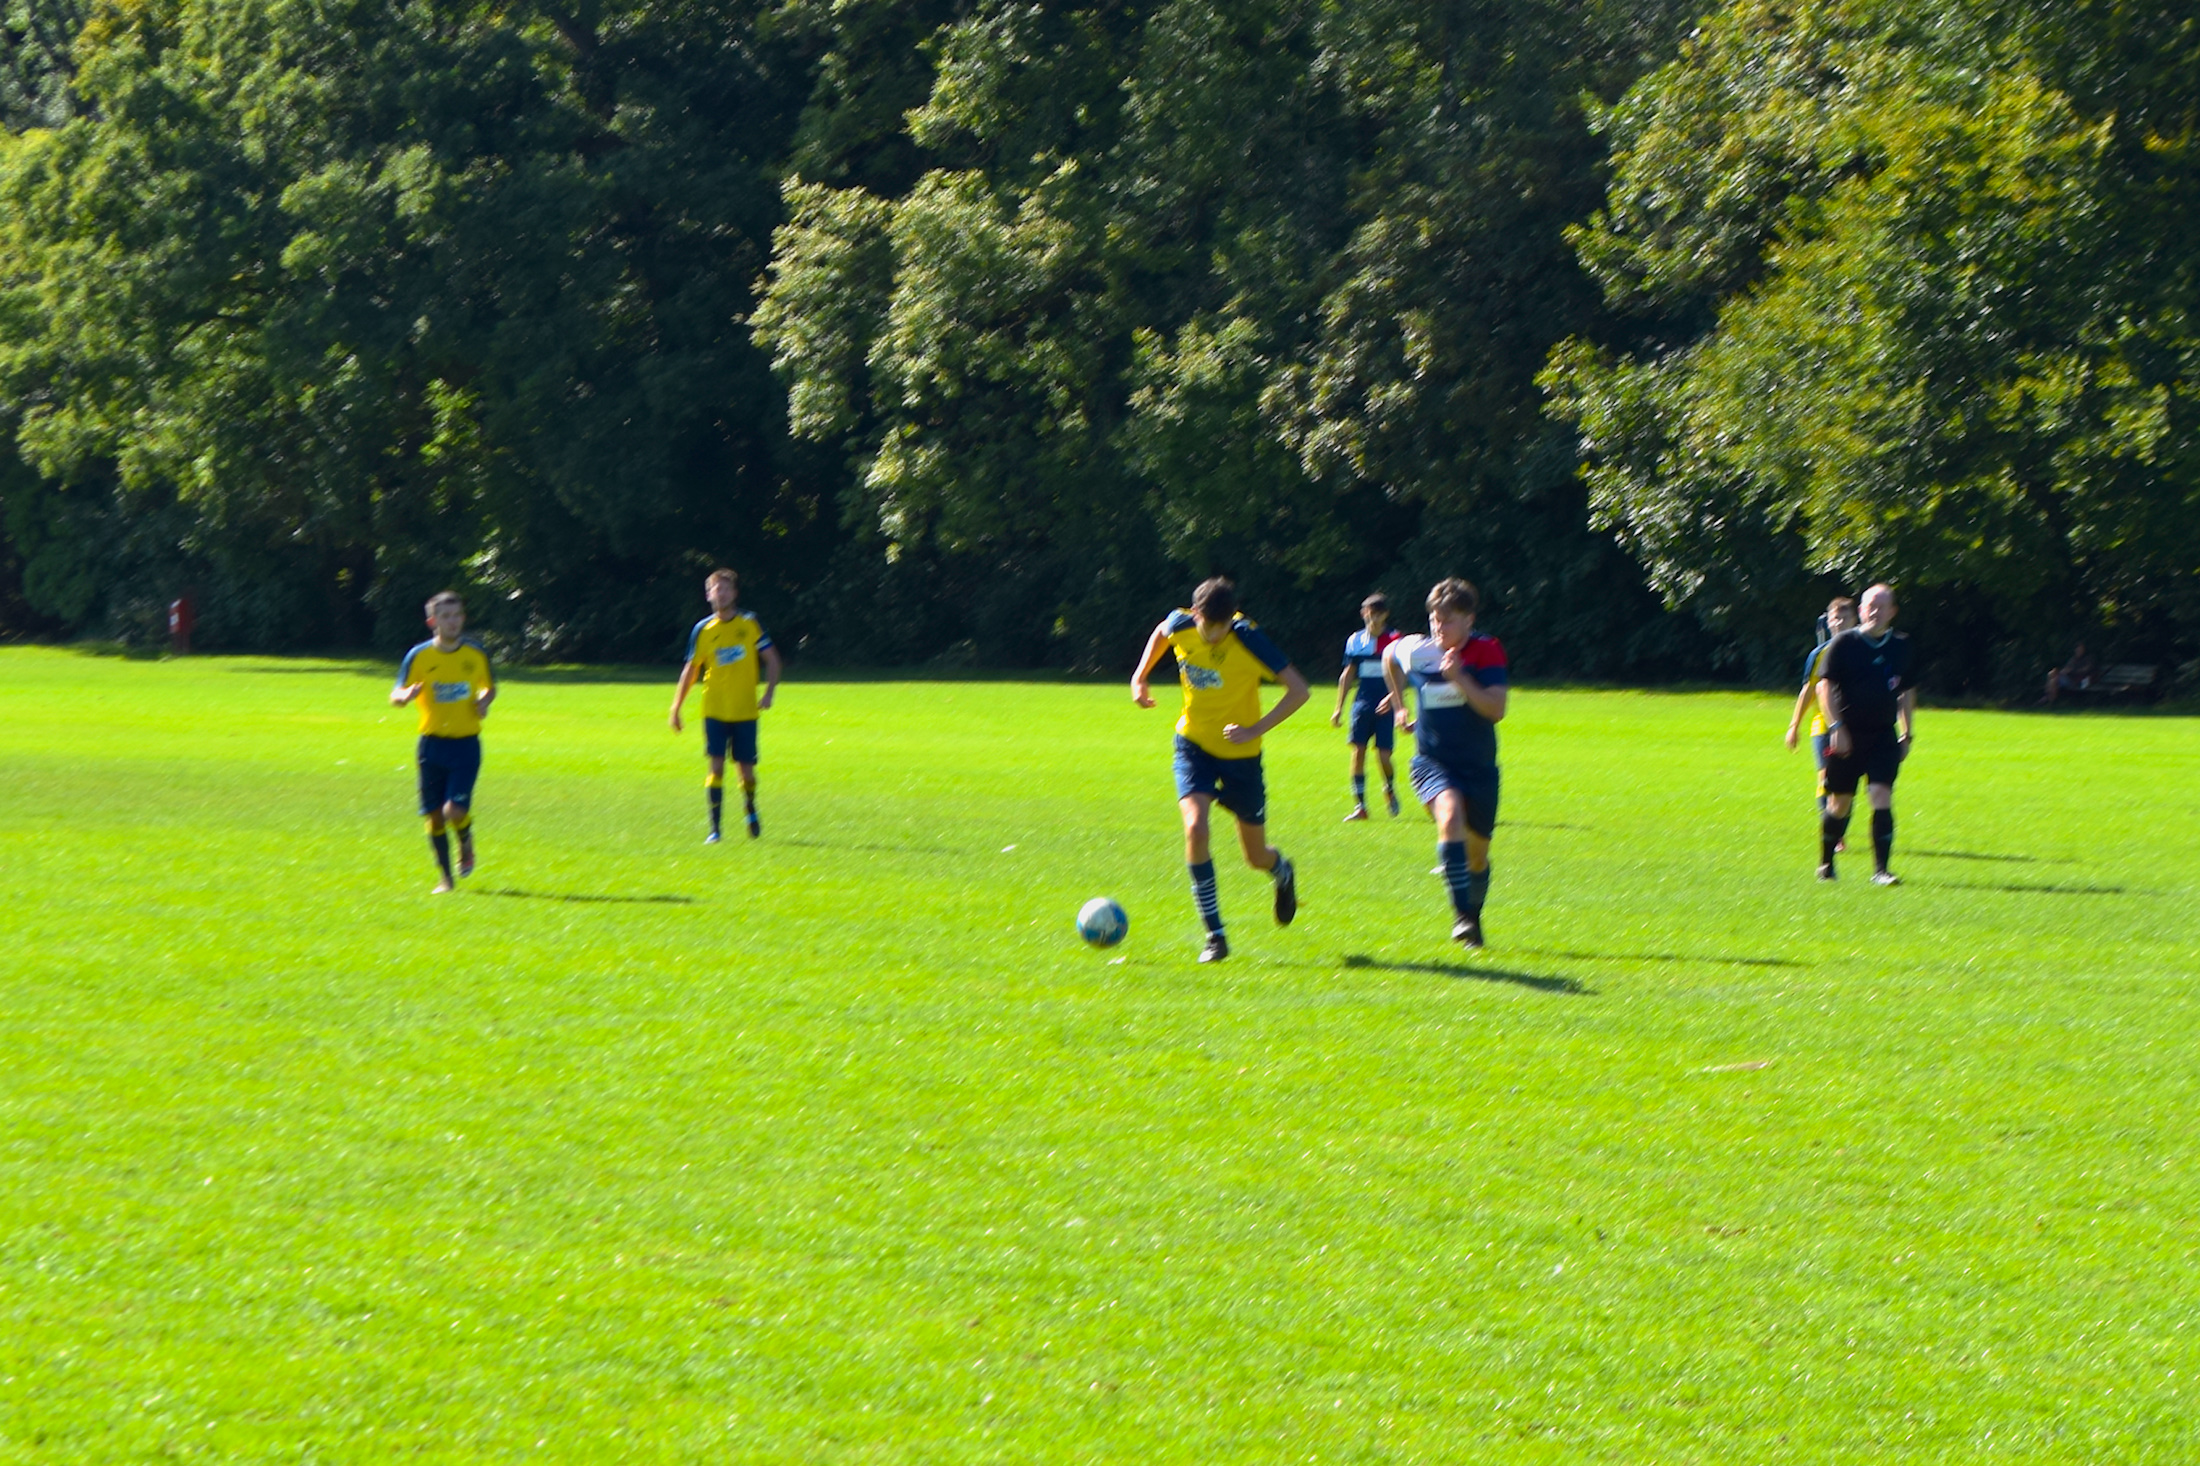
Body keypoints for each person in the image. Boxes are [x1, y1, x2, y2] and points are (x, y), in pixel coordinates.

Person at [1132, 576, 1310, 963]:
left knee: (1256, 856)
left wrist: (1254, 729)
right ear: (1194, 614)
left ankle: (1282, 872)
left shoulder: (1248, 639)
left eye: (1222, 627)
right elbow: (1162, 633)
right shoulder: (1181, 625)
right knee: (1195, 828)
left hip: (1241, 758)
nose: (1215, 635)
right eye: (1208, 626)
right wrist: (1141, 675)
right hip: (1193, 744)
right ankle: (1215, 936)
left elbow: (1299, 689)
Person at [1382, 578, 1508, 947]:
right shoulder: (1417, 650)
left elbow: (1495, 709)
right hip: (1432, 763)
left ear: (1469, 620)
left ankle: (1473, 917)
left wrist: (1459, 678)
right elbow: (1390, 657)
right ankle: (1461, 917)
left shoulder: (1487, 651)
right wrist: (1399, 703)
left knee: (1477, 856)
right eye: (1434, 620)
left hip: (1479, 766)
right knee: (1449, 815)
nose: (1438, 628)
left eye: (1448, 620)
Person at [391, 591, 496, 893]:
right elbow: (396, 692)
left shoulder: (475, 655)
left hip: (465, 745)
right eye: (446, 616)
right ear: (432, 621)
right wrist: (405, 697)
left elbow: (489, 688)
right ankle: (446, 880)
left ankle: (466, 841)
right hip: (431, 745)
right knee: (434, 817)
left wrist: (483, 701)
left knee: (454, 811)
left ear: (463, 618)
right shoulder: (419, 656)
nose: (453, 621)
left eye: (457, 615)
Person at [669, 569, 781, 842]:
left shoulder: (750, 623)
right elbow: (691, 670)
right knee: (716, 767)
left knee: (746, 771)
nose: (722, 594)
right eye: (717, 589)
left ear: (735, 593)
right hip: (715, 710)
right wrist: (676, 707)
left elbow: (773, 661)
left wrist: (768, 693)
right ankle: (715, 829)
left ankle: (750, 807)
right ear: (709, 595)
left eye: (727, 589)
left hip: (745, 710)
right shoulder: (703, 630)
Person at [1817, 582, 1915, 885]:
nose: (1874, 611)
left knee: (1881, 794)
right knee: (1840, 803)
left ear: (1892, 612)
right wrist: (1836, 727)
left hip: (1883, 736)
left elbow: (1907, 690)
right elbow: (1825, 686)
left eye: (1881, 606)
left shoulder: (1902, 646)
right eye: (1869, 605)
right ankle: (1826, 864)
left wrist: (1908, 733)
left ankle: (1881, 871)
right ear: (1861, 610)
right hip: (1847, 735)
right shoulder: (1844, 644)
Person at [1785, 595, 1859, 822]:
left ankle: (1839, 826)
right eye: (1835, 618)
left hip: (1854, 725)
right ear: (1828, 622)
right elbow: (1808, 691)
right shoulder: (1819, 655)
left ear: (1855, 620)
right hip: (1823, 725)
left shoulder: (1862, 651)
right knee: (1825, 776)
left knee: (1846, 781)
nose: (1839, 623)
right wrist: (1794, 725)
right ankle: (1830, 828)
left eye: (1845, 618)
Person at [1331, 593, 1404, 821]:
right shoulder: (1355, 640)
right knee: (1358, 752)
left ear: (1385, 615)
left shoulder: (1395, 639)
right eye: (1367, 614)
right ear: (1363, 614)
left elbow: (1402, 674)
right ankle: (1361, 807)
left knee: (1384, 756)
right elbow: (1348, 675)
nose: (1371, 618)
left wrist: (1393, 697)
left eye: (1376, 614)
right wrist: (1338, 708)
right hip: (1362, 703)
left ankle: (1389, 788)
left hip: (1386, 705)